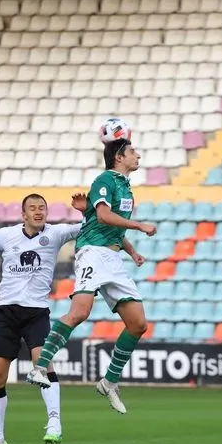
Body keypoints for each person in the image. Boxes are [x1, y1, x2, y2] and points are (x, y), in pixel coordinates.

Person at [26, 138, 155, 416]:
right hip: (93, 253)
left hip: (113, 258)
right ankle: (40, 367)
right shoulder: (104, 180)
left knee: (138, 324)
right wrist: (139, 225)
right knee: (79, 313)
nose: (138, 155)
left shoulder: (126, 188)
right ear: (119, 156)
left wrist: (132, 252)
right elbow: (104, 216)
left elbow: (109, 226)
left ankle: (109, 382)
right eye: (132, 151)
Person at [0, 192, 89, 444]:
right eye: (32, 208)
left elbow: (88, 227)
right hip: (6, 313)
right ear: (23, 215)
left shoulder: (56, 233)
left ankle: (54, 421)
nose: (38, 211)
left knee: (41, 362)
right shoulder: (5, 235)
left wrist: (84, 211)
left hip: (36, 312)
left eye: (42, 207)